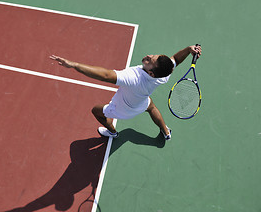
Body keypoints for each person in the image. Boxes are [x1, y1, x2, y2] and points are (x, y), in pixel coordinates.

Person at [50, 44, 202, 141]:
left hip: (122, 109)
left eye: (150, 61)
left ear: (151, 74)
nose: (148, 56)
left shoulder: (133, 78)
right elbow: (175, 59)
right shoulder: (164, 74)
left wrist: (74, 65)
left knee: (96, 111)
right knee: (152, 107)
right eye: (153, 55)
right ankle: (166, 131)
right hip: (142, 103)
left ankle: (113, 132)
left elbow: (105, 75)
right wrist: (189, 50)